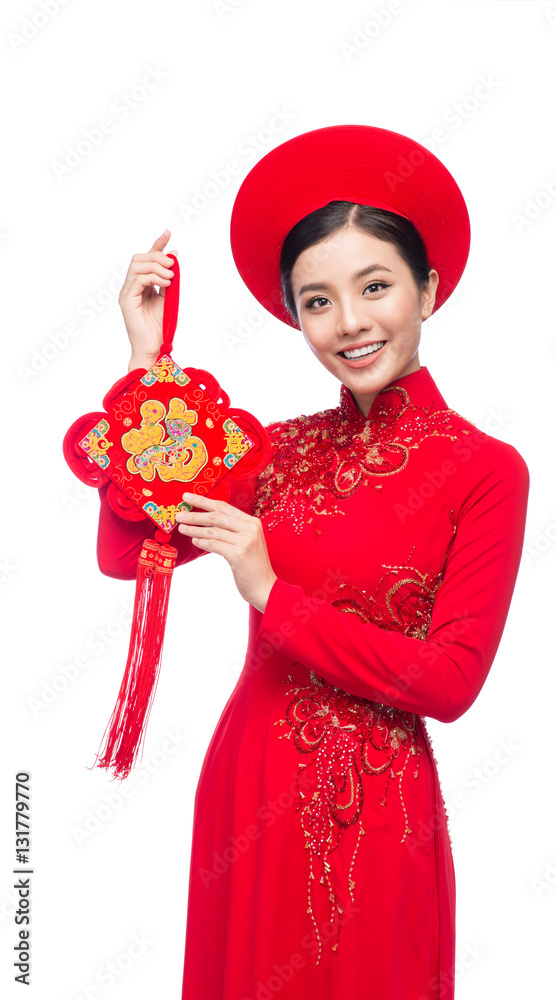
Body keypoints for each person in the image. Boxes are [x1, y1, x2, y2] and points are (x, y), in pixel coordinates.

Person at [95, 125, 530, 1000]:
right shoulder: (272, 450)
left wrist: (269, 591)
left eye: (375, 287)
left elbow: (449, 682)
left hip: (375, 810)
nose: (350, 322)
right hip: (248, 790)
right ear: (295, 316)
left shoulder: (485, 470)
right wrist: (147, 368)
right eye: (317, 300)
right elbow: (129, 551)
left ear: (428, 289)